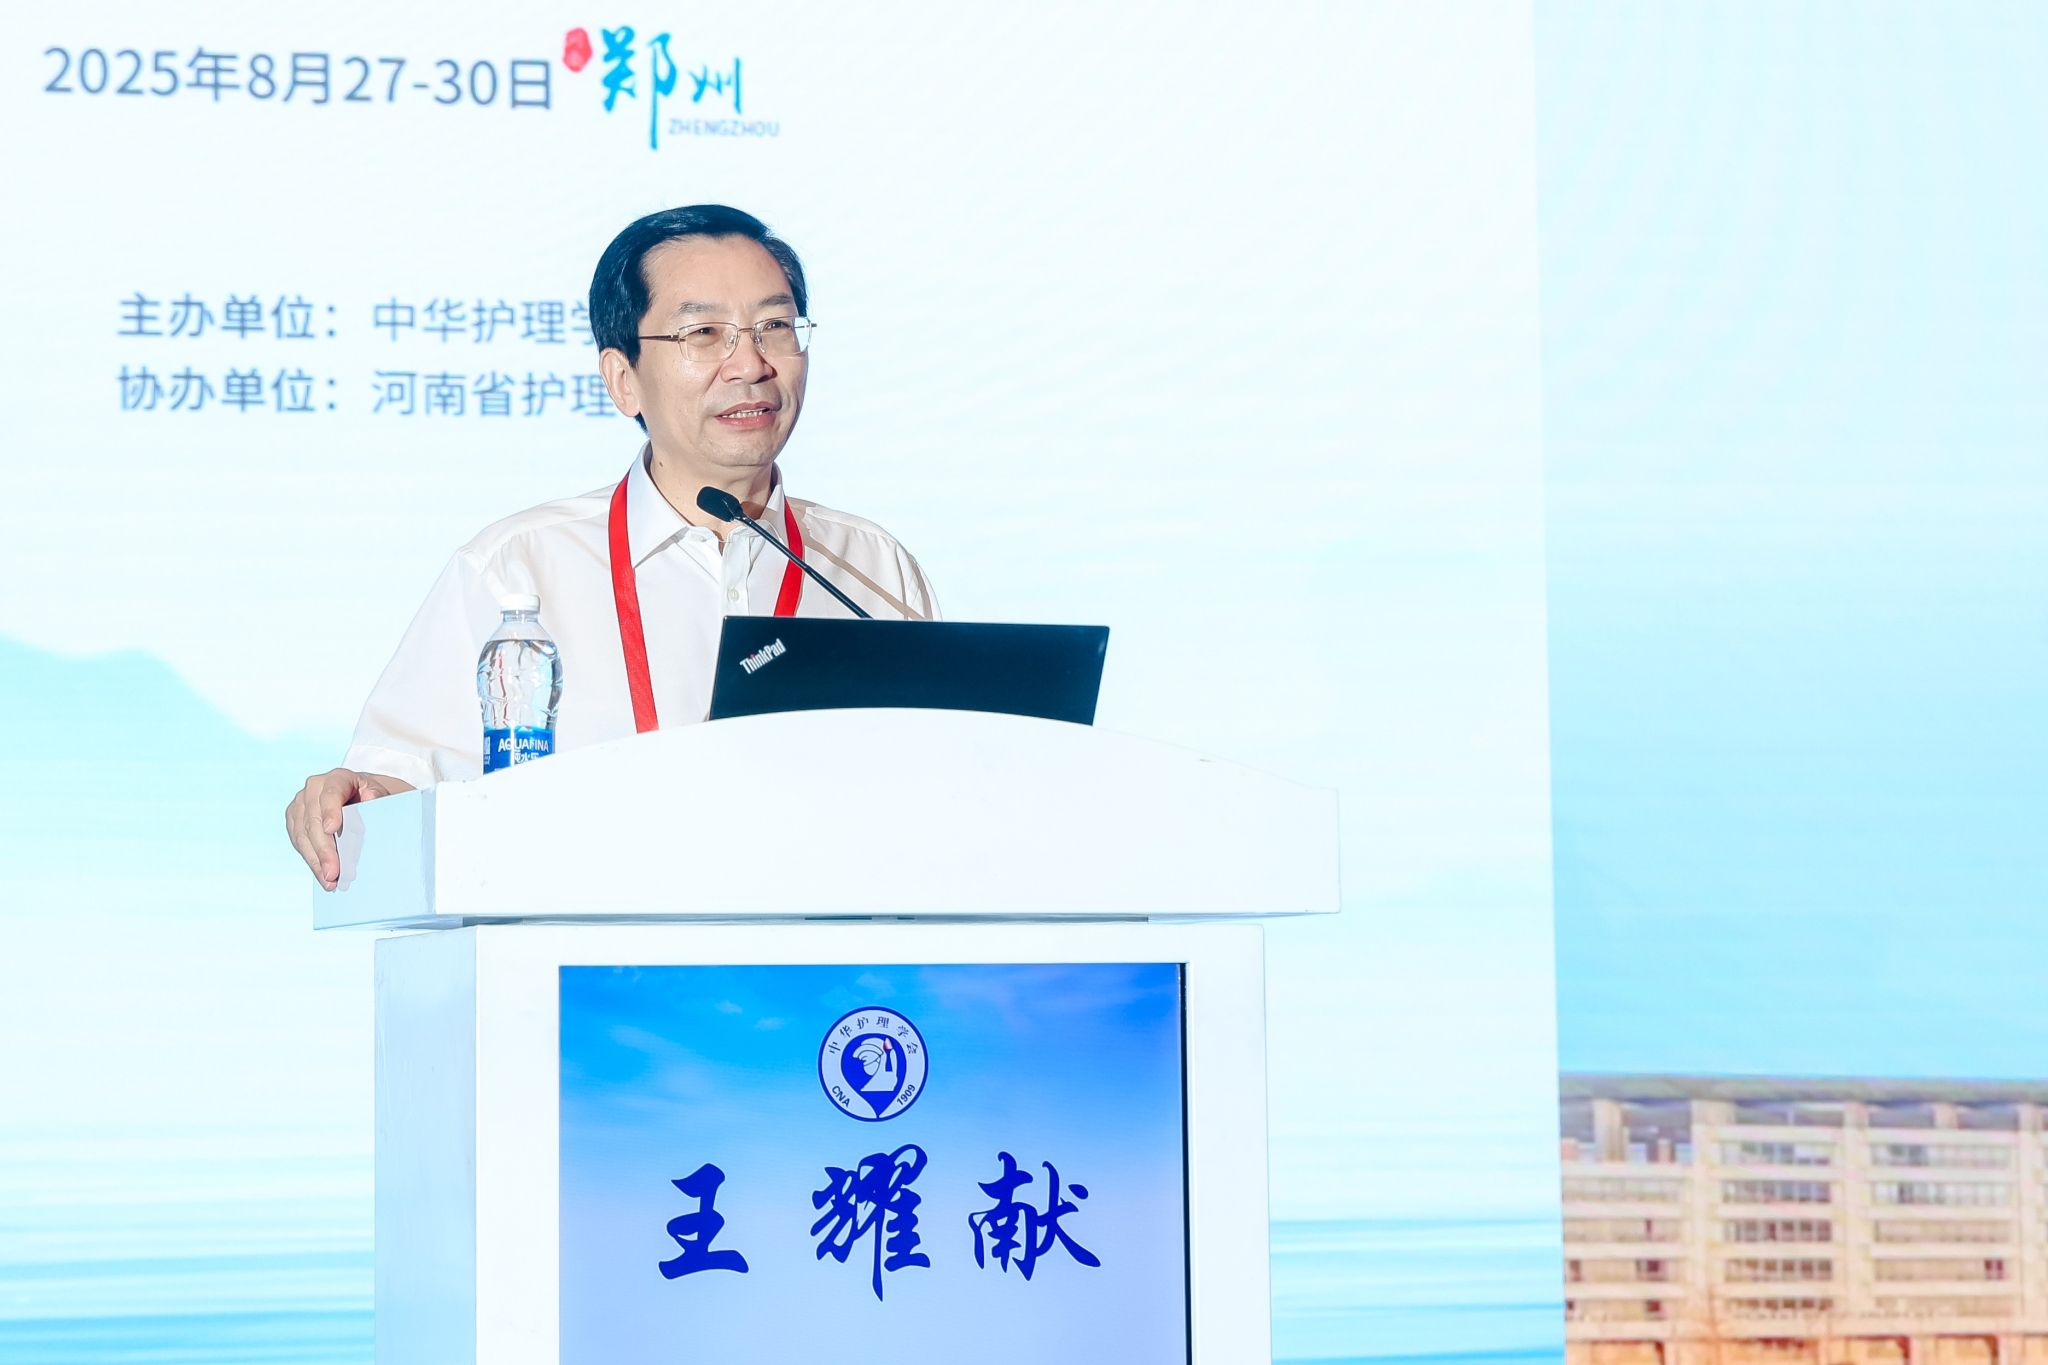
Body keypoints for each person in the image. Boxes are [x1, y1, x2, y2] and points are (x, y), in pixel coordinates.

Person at [284, 205, 939, 889]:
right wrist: (356, 798)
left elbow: (940, 785)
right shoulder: (518, 567)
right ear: (622, 379)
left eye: (774, 327)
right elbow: (398, 786)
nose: (750, 364)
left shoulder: (872, 569)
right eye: (703, 333)